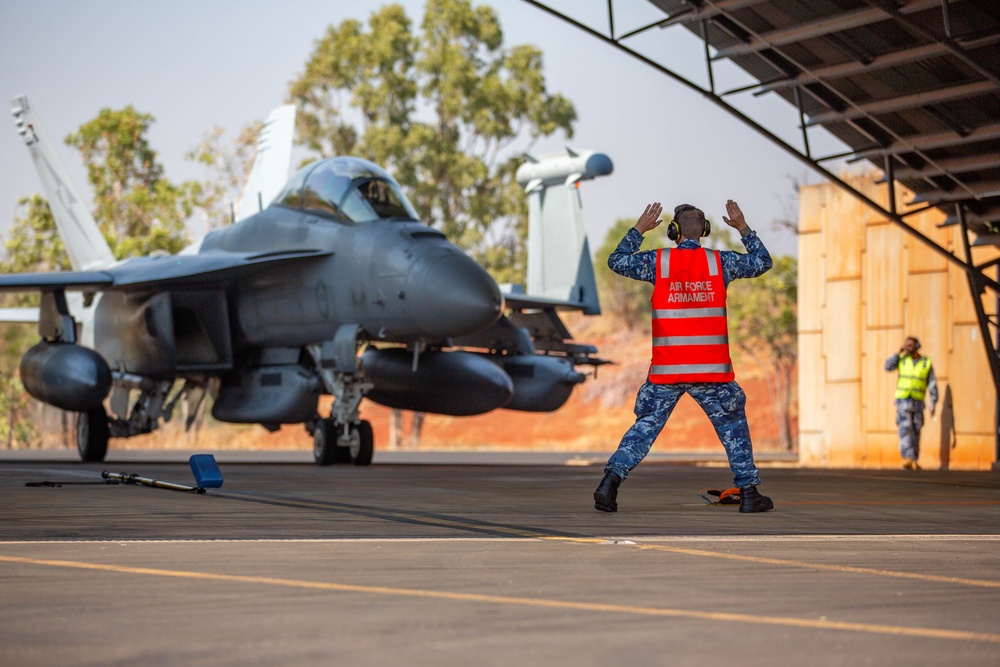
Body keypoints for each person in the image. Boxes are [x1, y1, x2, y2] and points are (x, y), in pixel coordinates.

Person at [594, 200, 775, 514]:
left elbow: (617, 261)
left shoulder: (658, 262)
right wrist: (743, 227)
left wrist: (639, 229)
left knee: (645, 427)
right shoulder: (722, 263)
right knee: (733, 426)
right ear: (704, 231)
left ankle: (610, 483)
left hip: (667, 370)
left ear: (672, 232)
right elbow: (762, 261)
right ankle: (749, 493)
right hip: (712, 372)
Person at [885, 337, 937, 470]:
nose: (907, 347)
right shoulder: (902, 360)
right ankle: (907, 457)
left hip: (918, 403)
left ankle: (913, 458)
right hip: (903, 401)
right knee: (905, 429)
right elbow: (888, 366)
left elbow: (931, 383)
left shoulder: (925, 363)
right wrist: (898, 353)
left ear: (917, 346)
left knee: (916, 430)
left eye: (910, 345)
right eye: (906, 345)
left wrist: (933, 402)